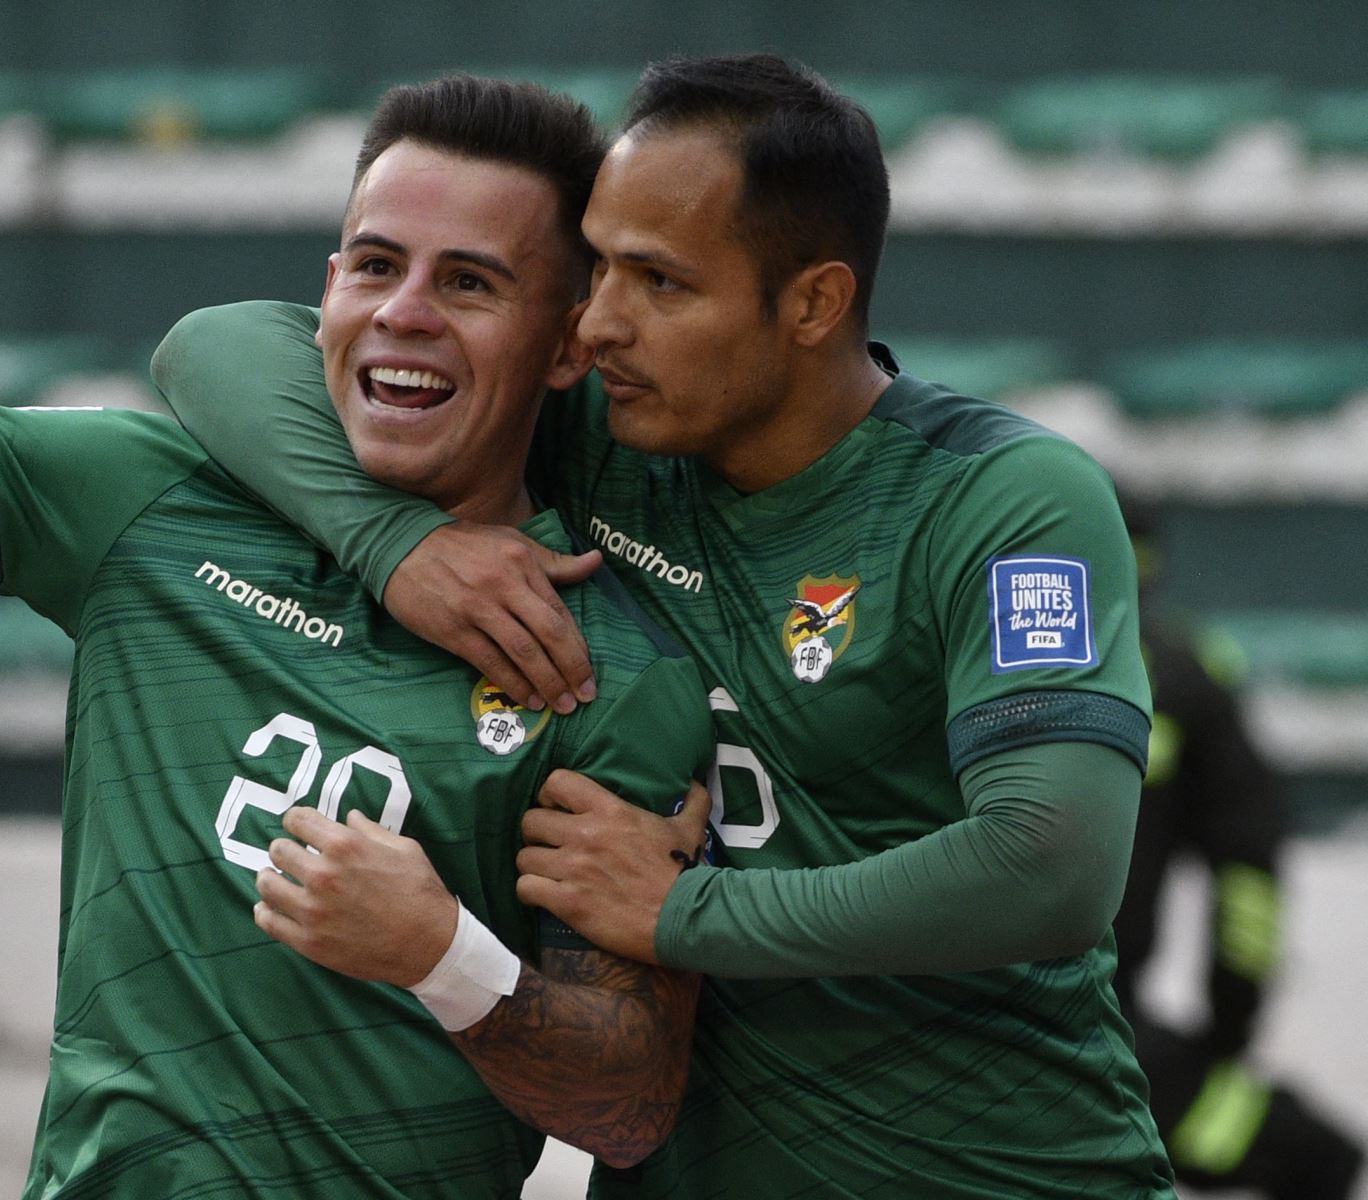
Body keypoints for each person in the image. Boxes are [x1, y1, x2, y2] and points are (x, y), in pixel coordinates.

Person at [0, 76, 713, 1198]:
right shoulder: (147, 500)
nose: (406, 313)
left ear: (567, 344)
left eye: (472, 282)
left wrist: (450, 959)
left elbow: (628, 1103)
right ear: (329, 289)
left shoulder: (606, 669)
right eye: (378, 265)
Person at [153, 52, 1176, 1196]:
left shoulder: (1003, 500)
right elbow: (217, 346)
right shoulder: (603, 436)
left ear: (812, 303)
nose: (596, 324)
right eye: (595, 269)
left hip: (999, 1172)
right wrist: (401, 551)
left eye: (659, 283)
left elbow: (1052, 866)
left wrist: (689, 912)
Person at [1112, 498, 1365, 1199]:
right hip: (1096, 1032)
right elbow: (1249, 870)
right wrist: (1232, 1023)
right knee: (1317, 1159)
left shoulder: (952, 656)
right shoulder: (1186, 674)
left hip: (958, 1024)